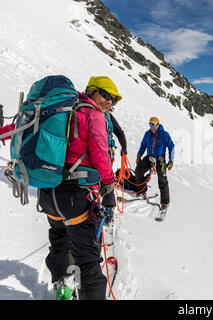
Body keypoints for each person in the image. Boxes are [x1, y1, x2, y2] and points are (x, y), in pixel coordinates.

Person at [37, 76, 122, 300]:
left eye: (114, 100)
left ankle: (62, 283)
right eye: (106, 95)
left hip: (48, 194)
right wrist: (109, 189)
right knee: (87, 258)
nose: (110, 102)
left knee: (59, 241)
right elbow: (101, 156)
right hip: (76, 199)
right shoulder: (93, 115)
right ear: (92, 91)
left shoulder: (59, 111)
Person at [135, 117, 174, 209]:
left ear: (158, 124)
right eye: (150, 124)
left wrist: (171, 159)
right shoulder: (147, 134)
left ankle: (164, 202)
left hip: (160, 160)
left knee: (162, 180)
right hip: (149, 158)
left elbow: (171, 146)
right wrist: (139, 155)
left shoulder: (164, 135)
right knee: (138, 171)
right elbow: (143, 145)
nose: (152, 126)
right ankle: (142, 191)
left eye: (154, 124)